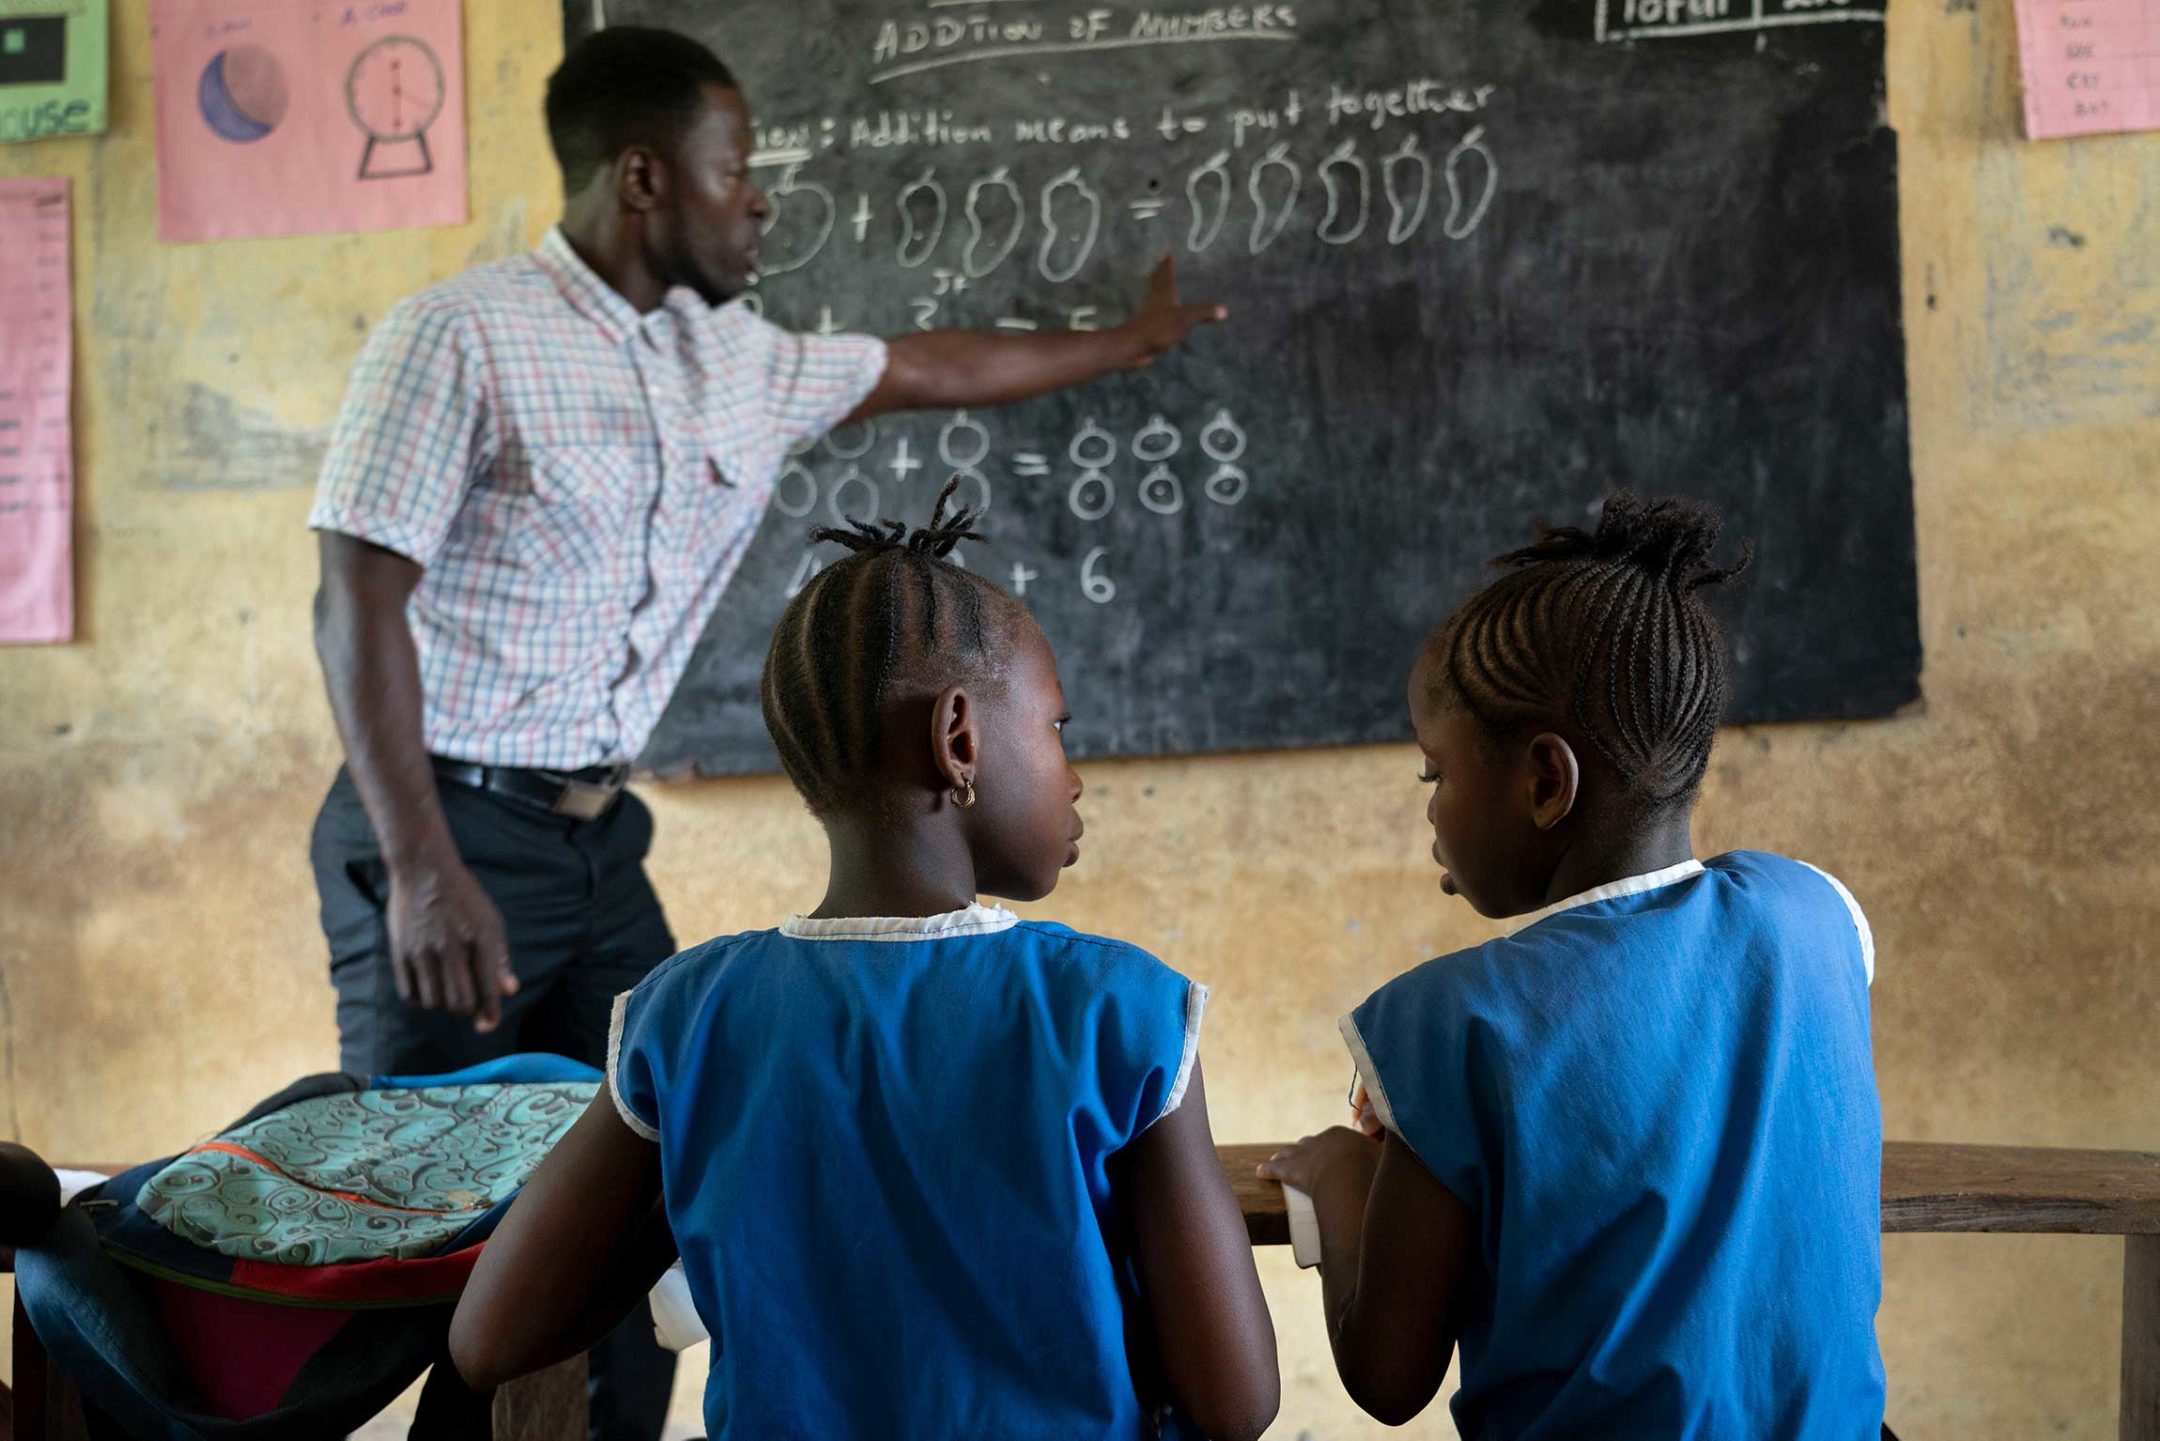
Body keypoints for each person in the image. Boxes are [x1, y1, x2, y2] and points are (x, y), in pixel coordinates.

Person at [308, 27, 1224, 1435]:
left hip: (601, 834)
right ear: (643, 175)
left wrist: (1131, 343)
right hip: (450, 823)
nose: (761, 201)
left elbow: (925, 367)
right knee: (439, 1205)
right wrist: (421, 863)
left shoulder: (733, 361)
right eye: (736, 168)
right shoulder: (464, 335)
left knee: (648, 1187)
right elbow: (357, 599)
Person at [447, 487, 1281, 1440]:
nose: (1075, 770)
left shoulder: (684, 1019)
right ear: (959, 737)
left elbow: (489, 1337)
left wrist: (697, 1176)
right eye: (1058, 728)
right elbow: (1238, 1401)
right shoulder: (1121, 1011)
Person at [1258, 494, 1888, 1437]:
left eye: (1437, 774)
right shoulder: (1815, 911)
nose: (1430, 811)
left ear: (1545, 782)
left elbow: (1387, 1376)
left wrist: (1342, 1177)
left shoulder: (1455, 1020)